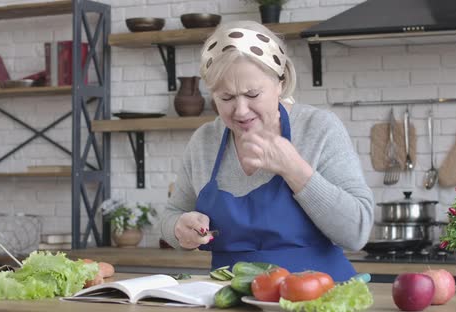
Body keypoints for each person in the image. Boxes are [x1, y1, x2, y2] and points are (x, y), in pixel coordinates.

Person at [159, 20, 374, 281]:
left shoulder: (319, 129)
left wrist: (295, 170)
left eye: (252, 94)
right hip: (232, 298)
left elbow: (357, 232)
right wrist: (178, 229)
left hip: (319, 297)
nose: (240, 110)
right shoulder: (205, 141)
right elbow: (172, 215)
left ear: (280, 82)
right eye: (226, 98)